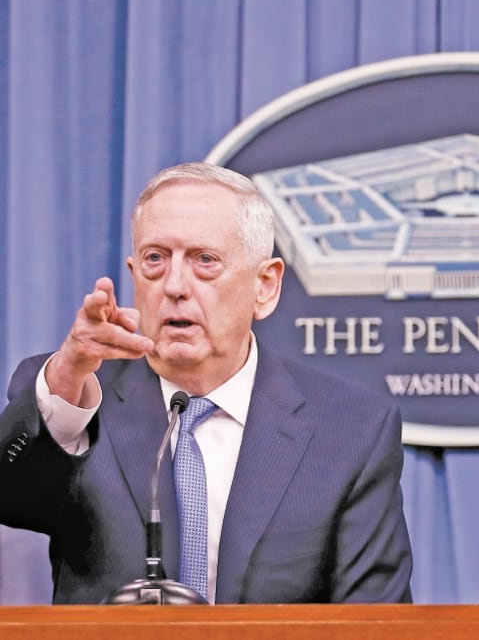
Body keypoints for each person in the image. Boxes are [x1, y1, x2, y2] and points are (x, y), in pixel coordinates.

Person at [0, 162, 413, 604]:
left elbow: (373, 618)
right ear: (134, 271)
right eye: (155, 259)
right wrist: (68, 373)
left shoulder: (350, 429)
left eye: (205, 260)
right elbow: (10, 499)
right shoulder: (78, 394)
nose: (175, 284)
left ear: (265, 287)